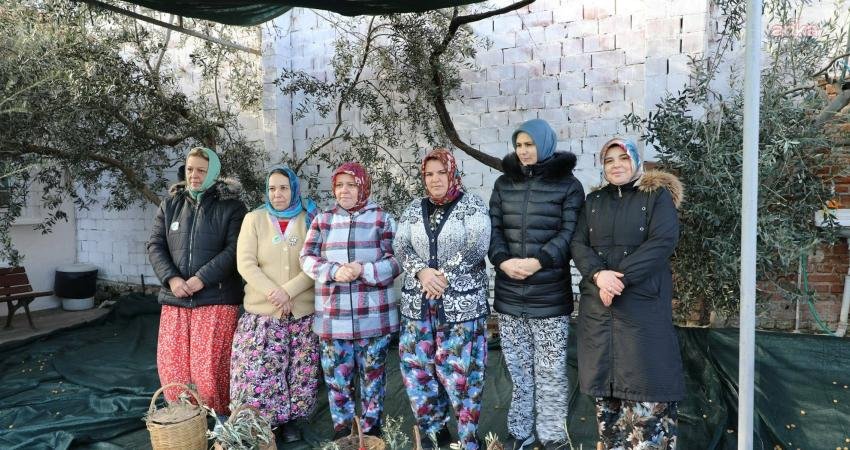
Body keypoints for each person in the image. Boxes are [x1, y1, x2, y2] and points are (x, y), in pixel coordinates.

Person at [570, 138, 685, 450]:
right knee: (609, 413)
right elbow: (578, 244)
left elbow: (662, 242)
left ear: (635, 161)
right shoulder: (592, 203)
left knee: (648, 402)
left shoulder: (656, 196)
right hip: (600, 317)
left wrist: (617, 281)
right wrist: (599, 275)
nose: (616, 165)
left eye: (623, 158)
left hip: (641, 315)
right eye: (609, 160)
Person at [488, 118, 585, 450]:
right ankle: (521, 431)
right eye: (519, 145)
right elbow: (494, 229)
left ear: (544, 144)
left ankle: (553, 435)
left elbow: (570, 233)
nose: (524, 151)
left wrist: (538, 261)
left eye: (530, 144)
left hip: (550, 296)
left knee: (549, 373)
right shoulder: (503, 184)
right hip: (509, 296)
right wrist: (503, 261)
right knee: (519, 372)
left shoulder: (569, 186)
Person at [394, 148, 491, 450]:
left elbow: (478, 245)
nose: (435, 179)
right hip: (417, 308)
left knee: (462, 376)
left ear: (453, 173)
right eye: (429, 174)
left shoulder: (472, 205)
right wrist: (422, 272)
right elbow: (401, 245)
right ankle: (435, 434)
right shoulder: (412, 209)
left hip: (461, 310)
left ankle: (467, 439)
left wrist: (442, 275)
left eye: (441, 172)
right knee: (417, 371)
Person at [300, 162, 400, 439]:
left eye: (351, 184)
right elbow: (306, 259)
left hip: (374, 319)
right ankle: (343, 431)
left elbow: (398, 260)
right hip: (334, 319)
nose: (344, 190)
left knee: (373, 379)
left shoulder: (382, 219)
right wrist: (334, 271)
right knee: (337, 380)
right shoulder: (322, 220)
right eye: (339, 185)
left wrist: (363, 270)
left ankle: (370, 430)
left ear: (363, 186)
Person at [147, 147, 247, 414]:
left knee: (210, 374)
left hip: (216, 299)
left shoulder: (232, 207)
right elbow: (155, 245)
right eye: (190, 169)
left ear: (213, 172)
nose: (194, 175)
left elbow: (235, 249)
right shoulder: (170, 205)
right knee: (173, 371)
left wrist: (202, 278)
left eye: (201, 170)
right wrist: (172, 279)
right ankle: (185, 422)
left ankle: (224, 426)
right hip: (176, 299)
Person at [230, 166, 319, 443]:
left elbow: (315, 263)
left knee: (298, 371)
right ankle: (264, 423)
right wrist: (275, 293)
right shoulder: (253, 219)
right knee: (261, 371)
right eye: (272, 188)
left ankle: (292, 422)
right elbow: (245, 263)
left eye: (283, 188)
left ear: (294, 190)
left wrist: (289, 292)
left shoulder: (310, 219)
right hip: (263, 314)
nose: (277, 194)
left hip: (301, 314)